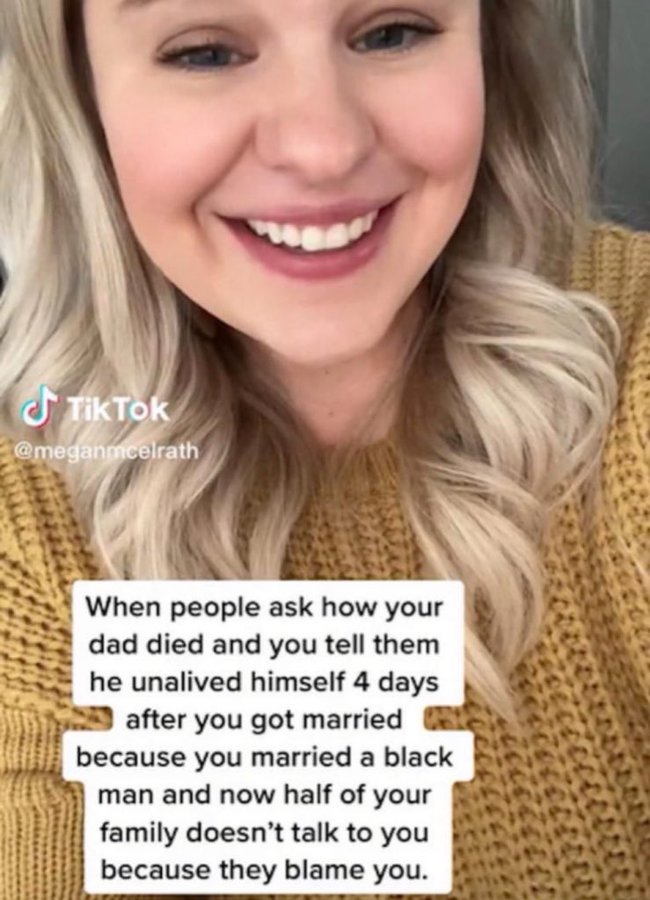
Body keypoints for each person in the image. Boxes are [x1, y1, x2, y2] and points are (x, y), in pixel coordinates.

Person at [0, 0, 648, 898]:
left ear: (489, 48)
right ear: (80, 90)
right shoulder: (32, 524)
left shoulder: (630, 355)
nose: (323, 148)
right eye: (205, 52)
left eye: (393, 32)